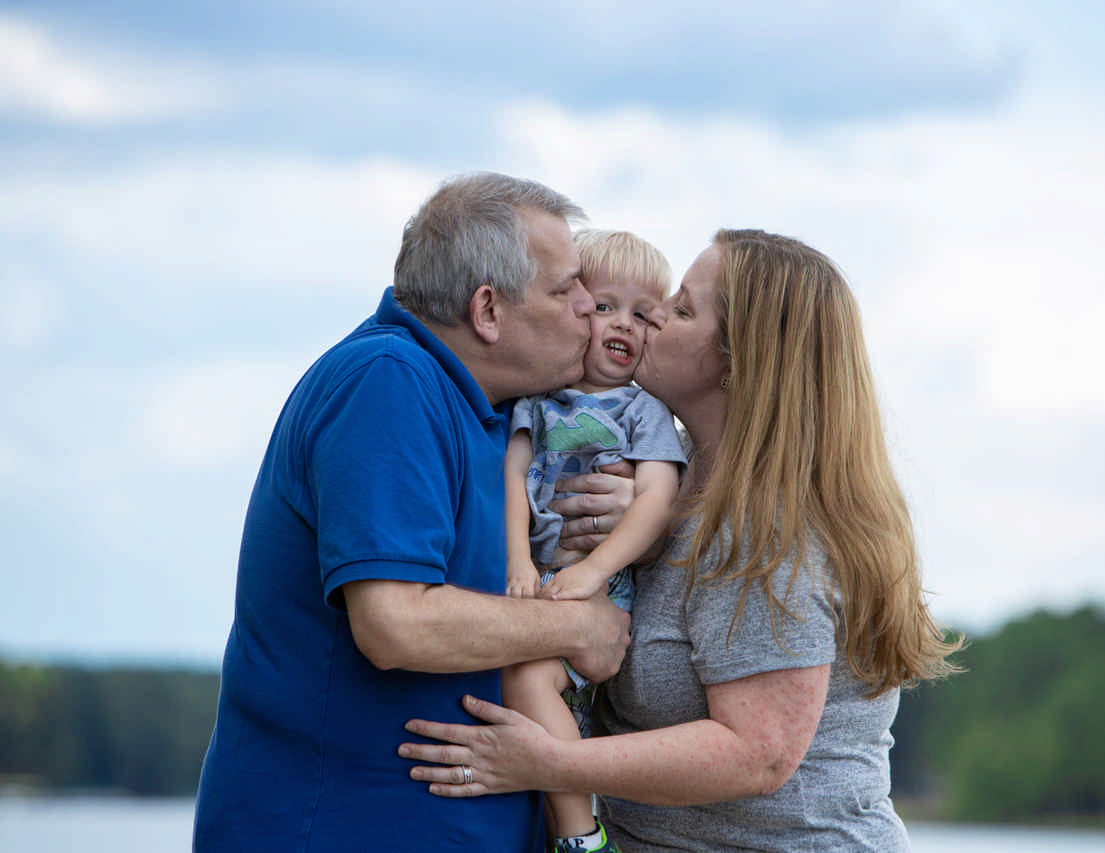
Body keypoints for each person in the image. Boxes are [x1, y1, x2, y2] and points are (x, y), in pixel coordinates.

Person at [397, 228, 963, 851]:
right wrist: (647, 520)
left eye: (683, 309)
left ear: (737, 362)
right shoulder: (672, 483)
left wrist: (543, 763)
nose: (655, 316)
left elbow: (758, 754)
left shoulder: (769, 531)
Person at [193, 173, 636, 853]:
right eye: (566, 289)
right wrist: (581, 623)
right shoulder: (388, 380)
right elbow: (394, 621)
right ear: (487, 310)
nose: (590, 308)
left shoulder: (494, 412)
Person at [502, 230, 686, 853]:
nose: (623, 324)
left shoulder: (643, 412)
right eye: (605, 305)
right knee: (524, 684)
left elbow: (656, 499)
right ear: (577, 310)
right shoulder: (537, 400)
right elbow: (512, 472)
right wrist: (517, 559)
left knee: (526, 681)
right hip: (542, 581)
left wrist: (596, 569)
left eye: (644, 314)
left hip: (602, 587)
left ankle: (582, 837)